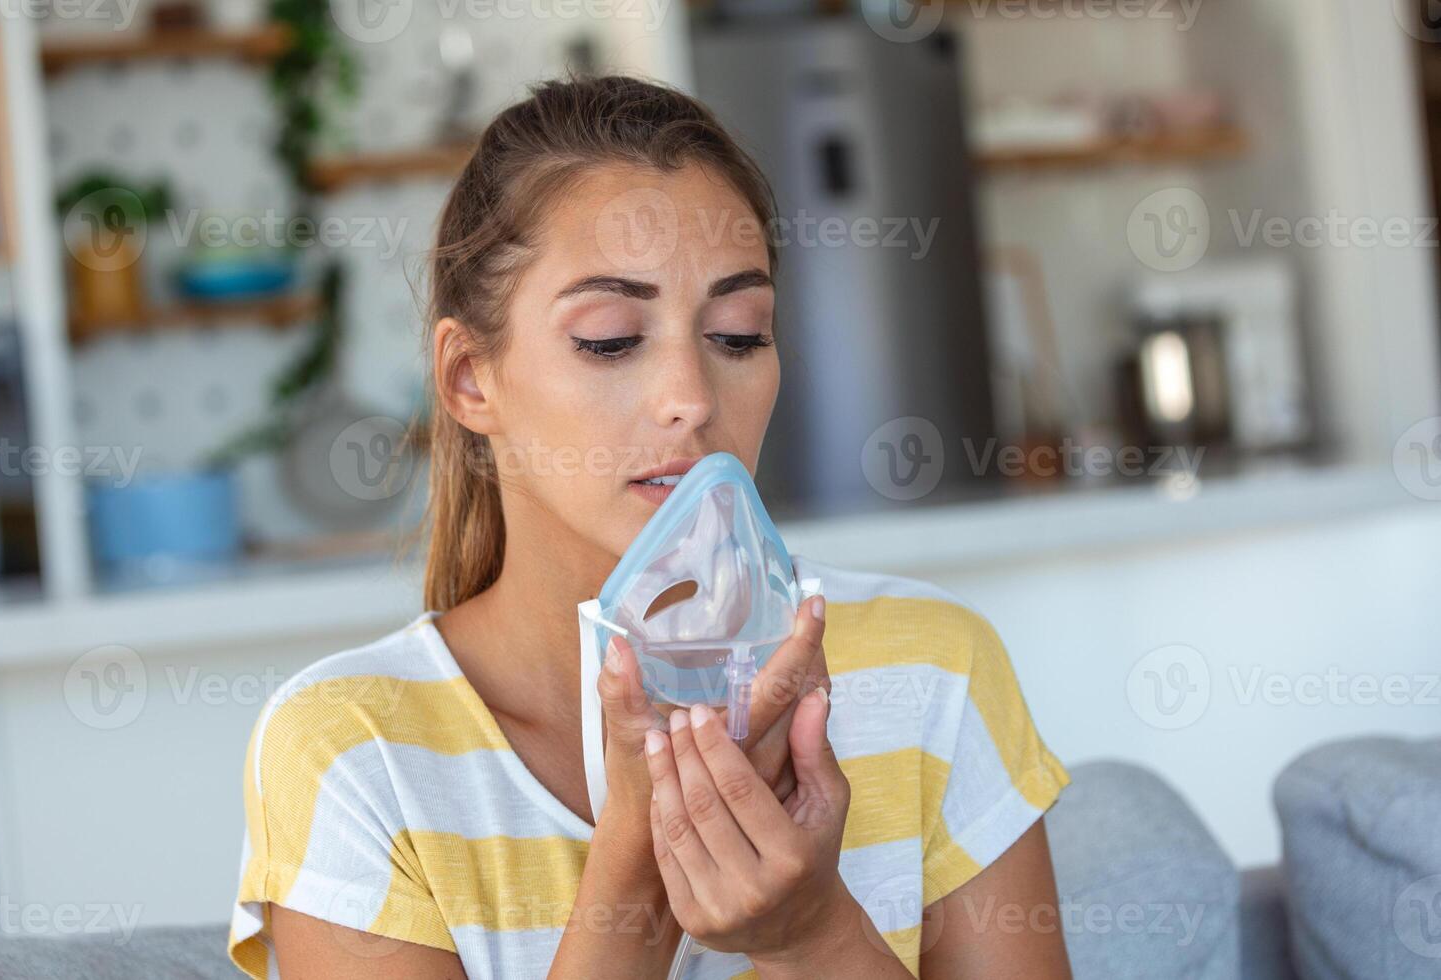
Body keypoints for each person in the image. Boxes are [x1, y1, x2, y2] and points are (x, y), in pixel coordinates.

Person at [227, 72, 1072, 980]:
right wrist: (636, 869)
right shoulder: (354, 751)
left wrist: (814, 935)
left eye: (739, 334)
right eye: (610, 339)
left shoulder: (934, 671)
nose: (691, 399)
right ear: (471, 377)